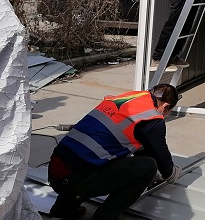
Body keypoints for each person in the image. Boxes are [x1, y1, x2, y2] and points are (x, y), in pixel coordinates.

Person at [47, 84, 181, 220]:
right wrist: (170, 173)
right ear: (165, 106)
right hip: (74, 180)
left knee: (93, 156)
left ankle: (62, 211)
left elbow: (140, 146)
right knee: (148, 167)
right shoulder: (153, 119)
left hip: (56, 171)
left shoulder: (131, 98)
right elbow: (162, 157)